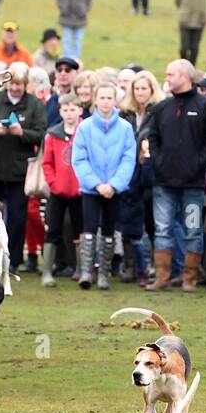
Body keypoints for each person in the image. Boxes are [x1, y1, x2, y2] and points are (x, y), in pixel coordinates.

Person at [143, 60, 206, 291]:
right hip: (163, 183)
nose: (166, 77)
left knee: (193, 230)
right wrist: (157, 160)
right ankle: (162, 278)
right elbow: (153, 137)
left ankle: (189, 279)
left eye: (170, 74)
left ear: (185, 77)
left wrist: (198, 164)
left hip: (193, 185)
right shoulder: (162, 107)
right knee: (163, 229)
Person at [71, 81, 136, 290]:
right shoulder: (85, 127)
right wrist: (96, 184)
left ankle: (104, 274)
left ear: (115, 100)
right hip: (91, 188)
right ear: (95, 100)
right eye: (102, 98)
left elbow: (128, 158)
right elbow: (79, 159)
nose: (106, 102)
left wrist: (114, 184)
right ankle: (86, 272)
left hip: (114, 189)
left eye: (110, 98)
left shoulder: (125, 128)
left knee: (109, 231)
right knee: (89, 229)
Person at [0, 62, 46, 275]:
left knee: (19, 218)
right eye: (12, 83)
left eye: (19, 84)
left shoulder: (35, 105)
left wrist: (23, 133)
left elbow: (42, 132)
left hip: (20, 172)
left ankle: (13, 259)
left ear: (25, 84)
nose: (15, 88)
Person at [40, 98, 82, 287]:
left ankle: (82, 270)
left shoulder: (86, 132)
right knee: (53, 229)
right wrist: (53, 183)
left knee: (81, 231)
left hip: (81, 191)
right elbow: (47, 163)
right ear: (61, 111)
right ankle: (47, 271)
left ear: (80, 110)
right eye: (66, 109)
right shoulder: (52, 135)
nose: (69, 113)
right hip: (58, 191)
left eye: (73, 108)